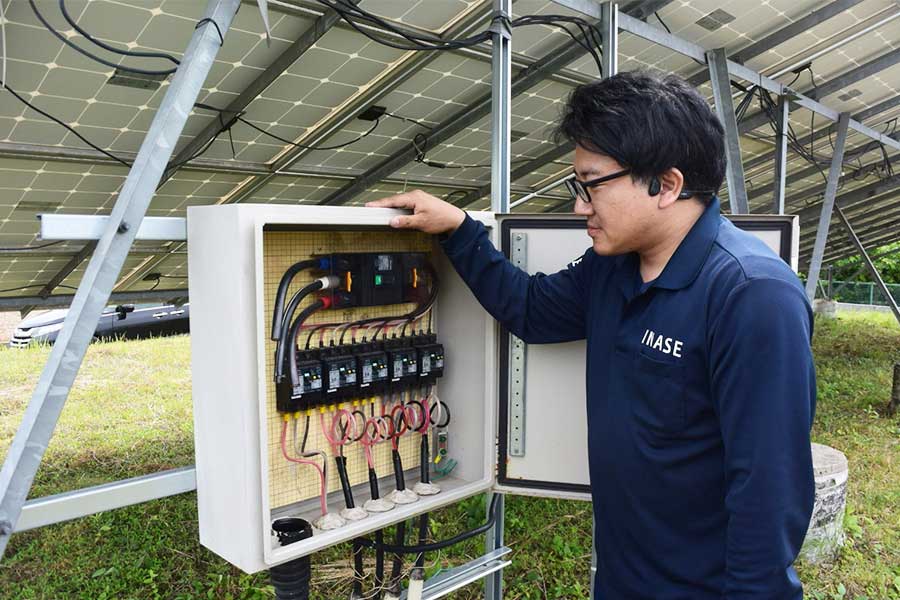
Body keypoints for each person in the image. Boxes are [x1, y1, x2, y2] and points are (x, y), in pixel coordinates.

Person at [367, 71, 816, 600]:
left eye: (592, 184)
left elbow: (769, 491)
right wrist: (459, 230)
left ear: (667, 185)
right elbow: (531, 310)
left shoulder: (751, 295)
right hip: (623, 576)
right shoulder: (613, 267)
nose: (580, 206)